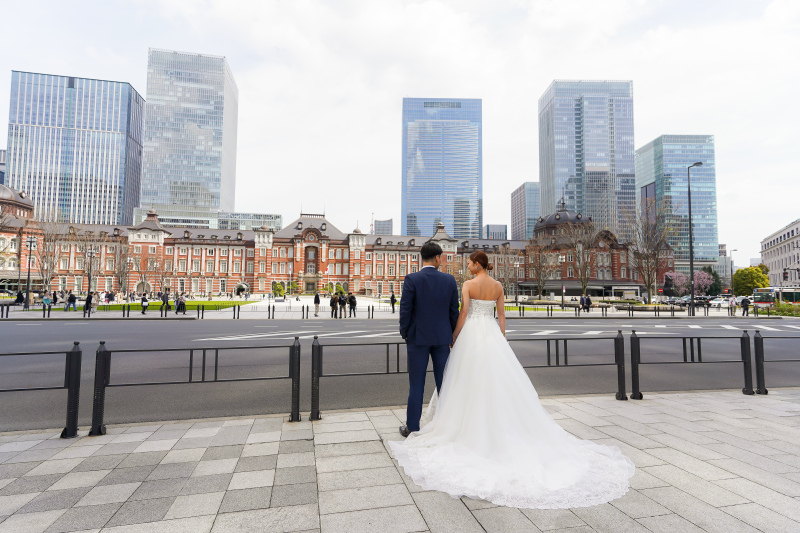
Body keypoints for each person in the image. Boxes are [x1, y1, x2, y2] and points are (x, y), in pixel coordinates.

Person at [390, 249, 635, 509]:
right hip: (475, 336)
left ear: (475, 265)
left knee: (427, 384)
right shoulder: (475, 284)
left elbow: (450, 313)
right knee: (451, 383)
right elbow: (478, 312)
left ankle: (415, 427)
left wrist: (427, 334)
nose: (468, 266)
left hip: (430, 338)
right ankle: (451, 421)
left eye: (471, 263)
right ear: (438, 258)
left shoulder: (440, 281)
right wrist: (493, 337)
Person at [397, 241, 459, 438]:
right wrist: (452, 335)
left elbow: (405, 309)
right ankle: (448, 425)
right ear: (438, 258)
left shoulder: (412, 279)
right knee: (445, 384)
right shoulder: (449, 280)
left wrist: (404, 332)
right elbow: (453, 312)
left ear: (421, 257)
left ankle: (412, 427)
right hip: (442, 339)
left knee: (416, 384)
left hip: (418, 338)